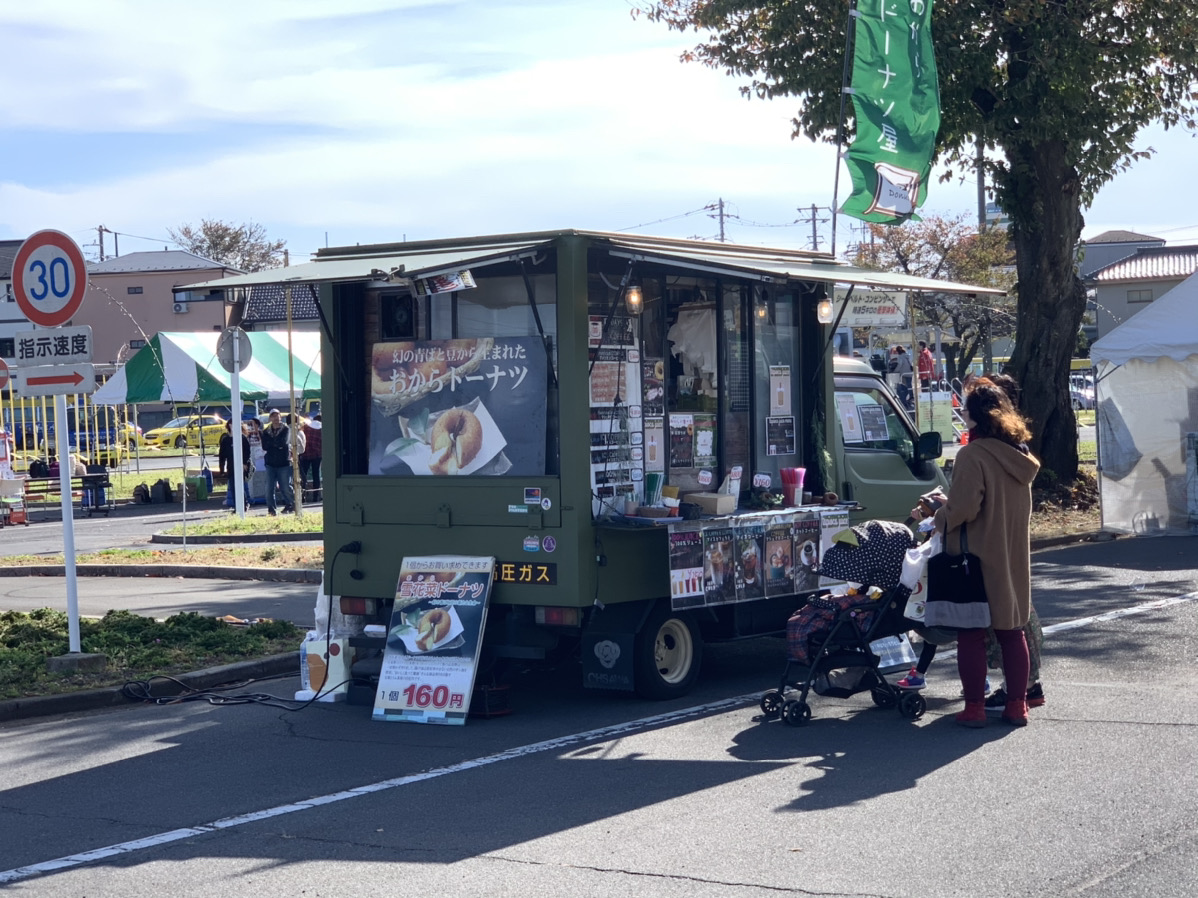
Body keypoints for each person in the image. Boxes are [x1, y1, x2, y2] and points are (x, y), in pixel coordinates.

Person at [911, 377, 1040, 727]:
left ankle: (975, 708)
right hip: (1012, 554)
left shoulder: (973, 454)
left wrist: (939, 515)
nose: (962, 412)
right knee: (1012, 632)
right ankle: (1017, 705)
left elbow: (965, 508)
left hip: (976, 556)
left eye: (965, 408)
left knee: (971, 634)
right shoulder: (1021, 455)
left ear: (976, 415)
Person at [260, 409, 295, 516]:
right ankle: (271, 509)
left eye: (277, 415)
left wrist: (272, 444)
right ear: (270, 418)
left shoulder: (286, 429)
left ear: (280, 416)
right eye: (273, 416)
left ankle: (291, 504)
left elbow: (284, 443)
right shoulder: (266, 431)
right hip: (270, 463)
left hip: (284, 463)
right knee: (269, 488)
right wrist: (275, 445)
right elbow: (264, 446)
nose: (275, 418)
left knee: (285, 487)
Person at [219, 420, 252, 510]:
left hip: (241, 466)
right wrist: (221, 469)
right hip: (231, 466)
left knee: (240, 486)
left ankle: (244, 504)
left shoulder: (242, 438)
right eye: (231, 424)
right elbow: (222, 455)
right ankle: (237, 506)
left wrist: (244, 463)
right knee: (233, 486)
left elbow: (247, 452)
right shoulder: (225, 440)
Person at [299, 414, 322, 502]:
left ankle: (302, 496)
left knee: (303, 476)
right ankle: (316, 497)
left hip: (305, 454)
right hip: (317, 455)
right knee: (316, 475)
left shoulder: (306, 427)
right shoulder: (321, 428)